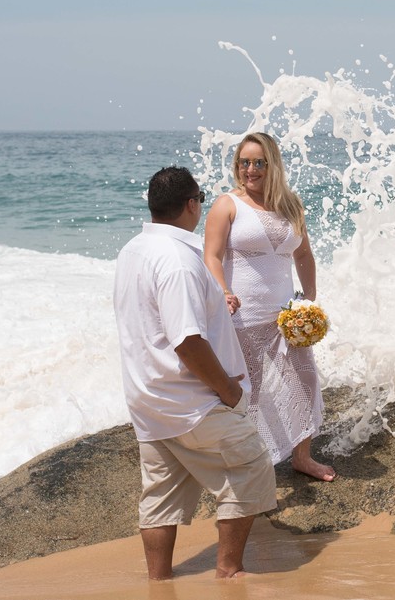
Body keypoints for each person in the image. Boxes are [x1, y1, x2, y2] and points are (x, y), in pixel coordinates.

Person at [114, 166, 276, 580]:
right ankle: (229, 570)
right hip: (191, 400)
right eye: (201, 198)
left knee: (161, 495)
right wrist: (227, 390)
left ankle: (159, 580)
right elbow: (186, 340)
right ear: (191, 204)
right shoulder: (178, 261)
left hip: (148, 397)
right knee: (252, 465)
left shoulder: (133, 250)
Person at [204, 132, 336, 482]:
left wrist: (310, 299)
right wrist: (224, 290)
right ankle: (244, 464)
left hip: (286, 317)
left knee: (304, 382)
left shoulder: (291, 204)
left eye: (259, 162)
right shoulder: (227, 205)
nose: (251, 169)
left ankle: (302, 457)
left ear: (272, 164)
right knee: (249, 392)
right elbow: (211, 256)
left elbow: (303, 253)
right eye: (244, 162)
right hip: (242, 316)